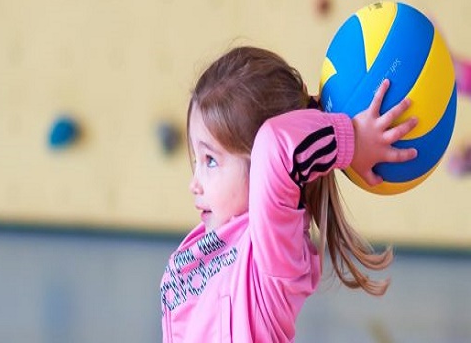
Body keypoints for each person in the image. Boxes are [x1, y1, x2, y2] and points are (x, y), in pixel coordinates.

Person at [159, 46, 418, 342]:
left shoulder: (272, 252)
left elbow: (274, 145)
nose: (195, 183)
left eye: (211, 161)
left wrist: (353, 140)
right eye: (197, 160)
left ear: (258, 167)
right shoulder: (204, 252)